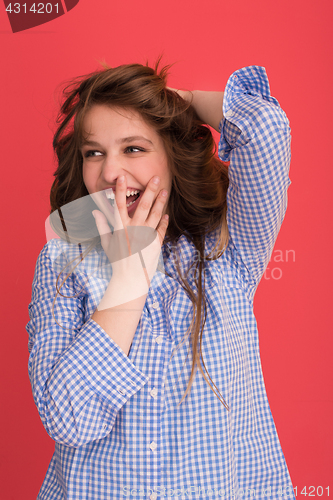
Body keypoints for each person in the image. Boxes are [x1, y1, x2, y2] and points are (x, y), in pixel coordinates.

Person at [27, 62, 294, 500]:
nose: (111, 172)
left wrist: (181, 102)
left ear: (172, 155)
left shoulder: (227, 248)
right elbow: (71, 420)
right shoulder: (62, 259)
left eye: (133, 148)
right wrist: (128, 281)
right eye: (94, 152)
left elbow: (264, 126)